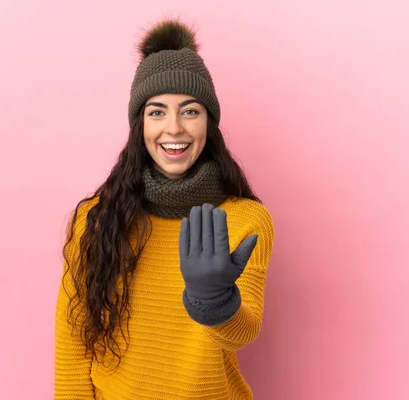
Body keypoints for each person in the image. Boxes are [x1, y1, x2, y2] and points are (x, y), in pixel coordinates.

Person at [54, 18, 275, 400]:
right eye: (157, 112)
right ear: (140, 124)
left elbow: (243, 332)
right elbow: (74, 341)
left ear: (210, 121)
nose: (174, 128)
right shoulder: (97, 218)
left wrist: (215, 301)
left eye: (190, 111)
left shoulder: (246, 218)